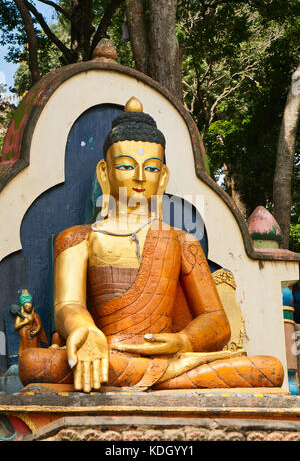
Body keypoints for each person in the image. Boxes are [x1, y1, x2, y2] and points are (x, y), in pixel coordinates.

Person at [18, 97, 284, 392]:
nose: (140, 178)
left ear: (163, 177)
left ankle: (160, 376)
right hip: (105, 353)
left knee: (269, 369)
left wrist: (183, 341)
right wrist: (84, 330)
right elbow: (68, 305)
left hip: (165, 358)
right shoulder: (79, 238)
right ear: (105, 173)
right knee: (34, 363)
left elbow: (217, 322)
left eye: (152, 168)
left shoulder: (181, 241)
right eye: (126, 166)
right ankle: (163, 380)